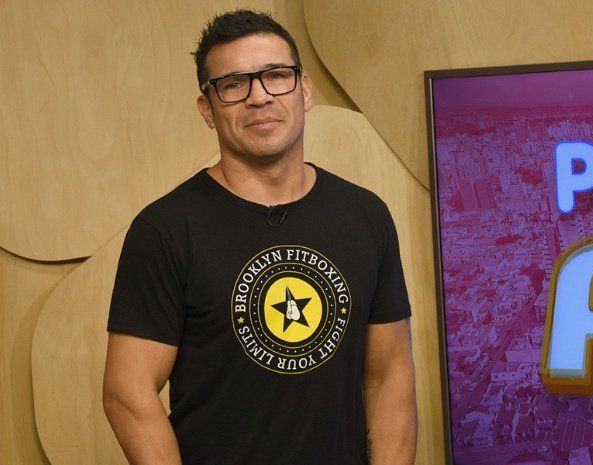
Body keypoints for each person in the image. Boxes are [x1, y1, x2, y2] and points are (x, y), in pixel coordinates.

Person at [102, 9, 418, 465]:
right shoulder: (165, 230)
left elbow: (389, 377)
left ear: (304, 90)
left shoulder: (365, 216)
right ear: (207, 110)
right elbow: (127, 393)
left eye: (275, 75)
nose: (259, 96)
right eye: (233, 84)